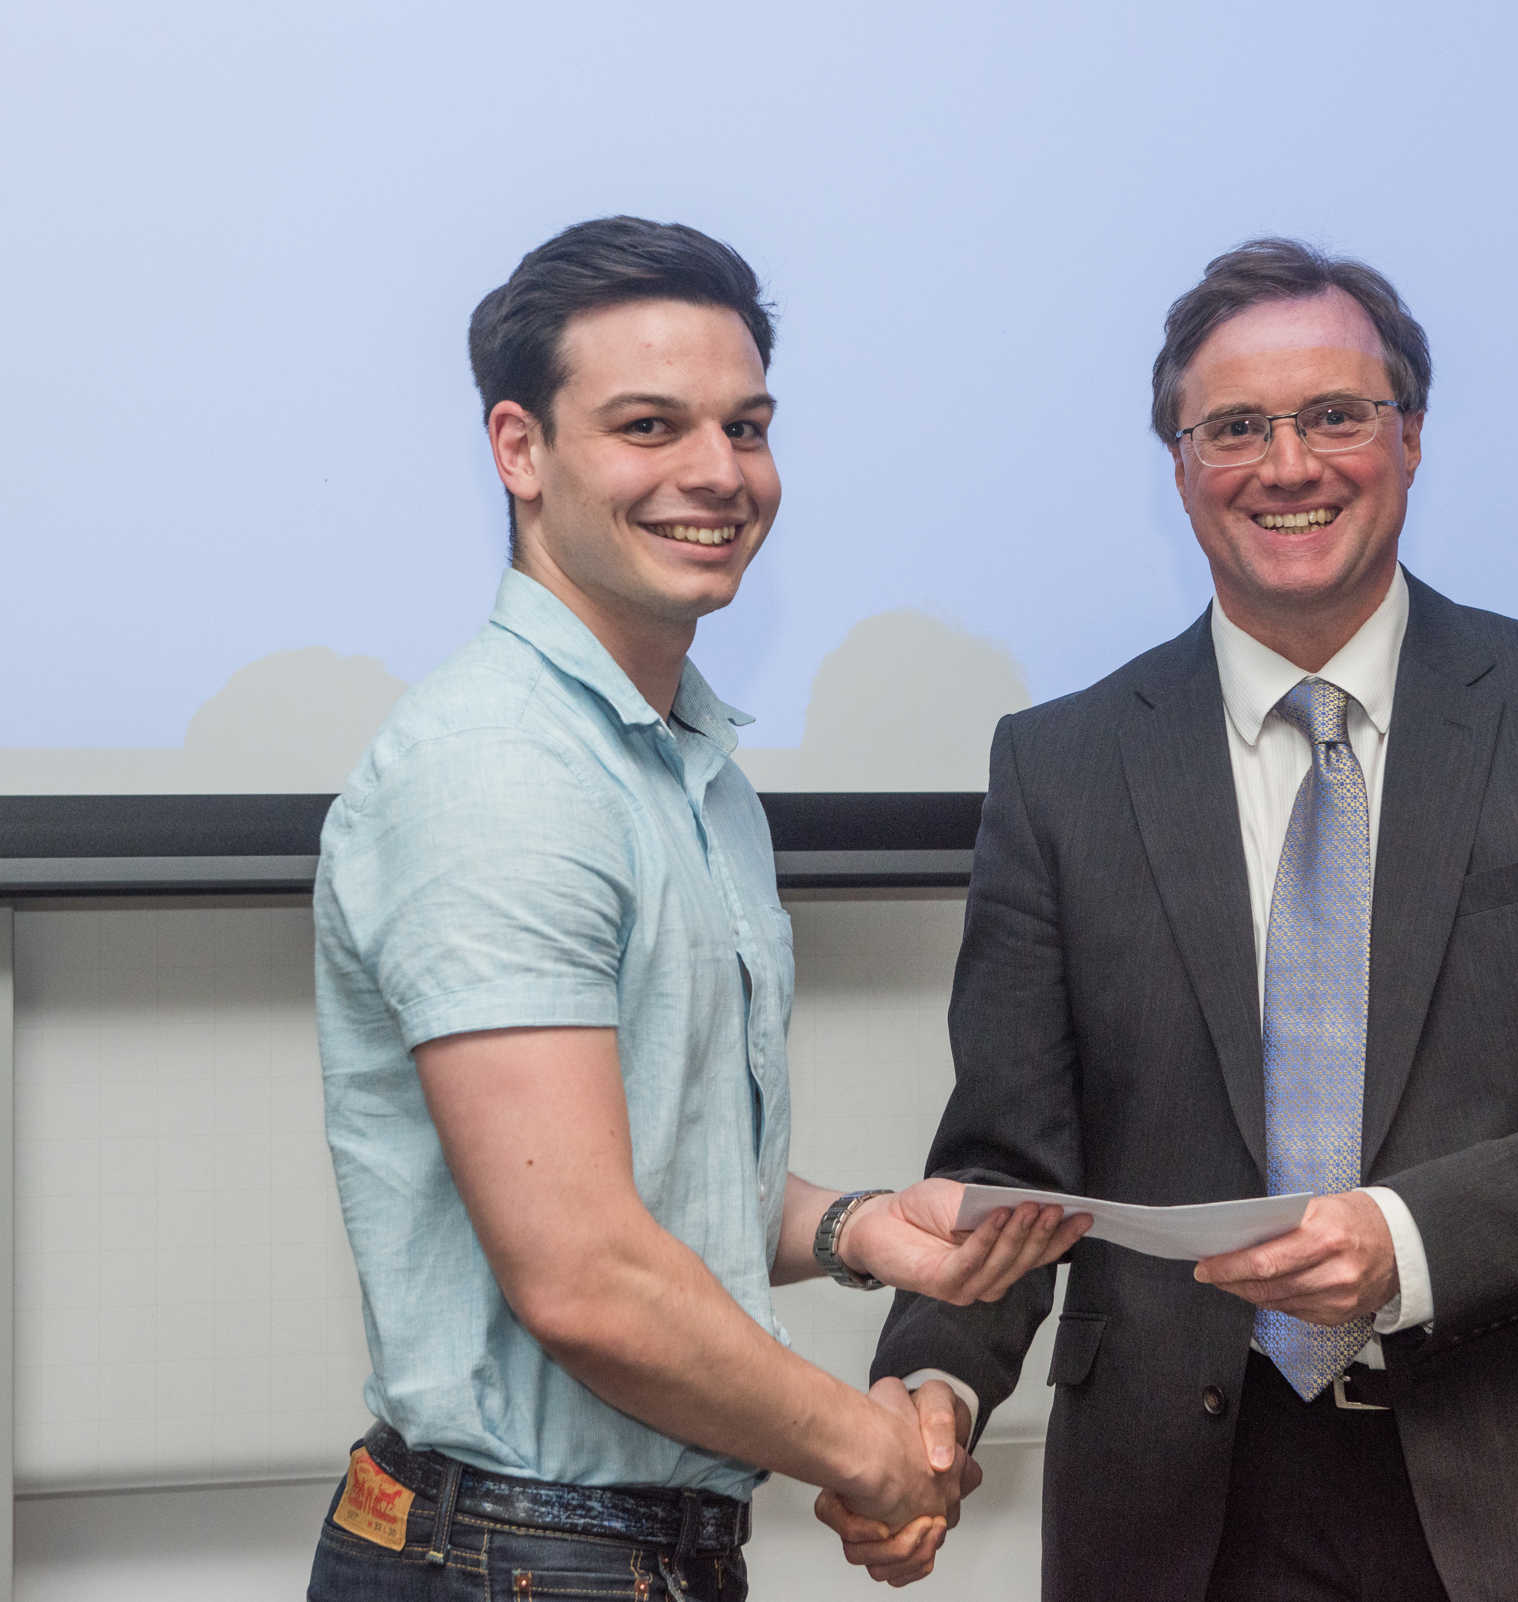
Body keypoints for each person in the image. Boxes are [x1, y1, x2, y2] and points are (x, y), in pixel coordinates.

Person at [840, 239, 1518, 1600]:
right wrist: (933, 1387)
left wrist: (1405, 1239)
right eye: (1235, 428)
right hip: (1186, 1520)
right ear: (1179, 467)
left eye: (1336, 415)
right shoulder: (1062, 767)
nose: (1288, 465)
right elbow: (1009, 1158)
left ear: (1411, 438)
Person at [309, 216, 1085, 1601]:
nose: (719, 472)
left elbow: (635, 1175)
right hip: (519, 1558)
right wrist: (868, 1449)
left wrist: (856, 1228)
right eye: (649, 426)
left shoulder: (686, 768)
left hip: (594, 1553)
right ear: (519, 450)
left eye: (747, 426)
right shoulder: (500, 771)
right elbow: (587, 1275)